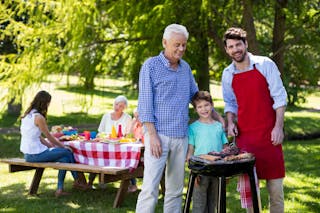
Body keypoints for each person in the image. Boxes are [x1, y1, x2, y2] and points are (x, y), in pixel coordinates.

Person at [135, 23, 224, 213]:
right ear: (165, 42)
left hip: (181, 136)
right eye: (177, 44)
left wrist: (218, 118)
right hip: (157, 135)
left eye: (184, 45)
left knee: (175, 191)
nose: (181, 49)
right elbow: (144, 104)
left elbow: (196, 98)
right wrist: (152, 135)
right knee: (150, 188)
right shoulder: (150, 66)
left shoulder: (185, 68)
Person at [221, 27, 287, 213]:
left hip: (270, 135)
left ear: (246, 44)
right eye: (231, 46)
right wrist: (231, 122)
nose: (235, 49)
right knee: (250, 194)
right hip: (246, 139)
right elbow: (230, 103)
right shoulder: (228, 74)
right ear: (227, 50)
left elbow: (280, 97)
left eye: (238, 44)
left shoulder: (265, 64)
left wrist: (278, 127)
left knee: (275, 192)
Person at [20, 90, 88, 197]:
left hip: (28, 154)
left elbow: (39, 137)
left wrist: (51, 146)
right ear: (44, 102)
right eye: (48, 102)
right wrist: (63, 146)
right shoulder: (39, 118)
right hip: (36, 154)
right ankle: (78, 181)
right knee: (67, 152)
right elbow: (49, 136)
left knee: (64, 160)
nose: (49, 105)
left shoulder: (27, 115)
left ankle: (60, 190)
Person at [186, 91, 228, 213]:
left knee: (213, 202)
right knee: (199, 203)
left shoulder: (218, 126)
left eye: (206, 105)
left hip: (217, 169)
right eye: (199, 107)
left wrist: (226, 170)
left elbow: (225, 149)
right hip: (200, 171)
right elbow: (190, 151)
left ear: (212, 105)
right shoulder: (193, 127)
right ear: (195, 109)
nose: (204, 109)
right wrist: (193, 170)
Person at [88, 95, 136, 190]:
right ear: (114, 104)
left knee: (128, 157)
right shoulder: (106, 116)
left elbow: (128, 135)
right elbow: (100, 132)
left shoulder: (127, 118)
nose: (118, 107)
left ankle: (132, 184)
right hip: (105, 144)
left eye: (121, 106)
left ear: (124, 108)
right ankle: (90, 182)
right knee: (94, 154)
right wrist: (101, 137)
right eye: (117, 104)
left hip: (119, 146)